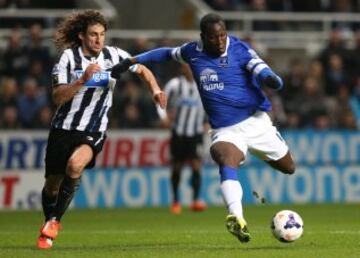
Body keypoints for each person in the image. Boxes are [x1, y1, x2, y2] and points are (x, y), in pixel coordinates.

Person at [111, 13, 296, 243]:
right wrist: (131, 61)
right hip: (225, 130)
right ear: (203, 37)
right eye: (213, 37)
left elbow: (260, 68)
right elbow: (164, 54)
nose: (219, 41)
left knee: (289, 167)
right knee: (224, 158)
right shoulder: (192, 51)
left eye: (222, 35)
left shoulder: (239, 49)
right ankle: (236, 217)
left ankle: (257, 152)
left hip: (256, 122)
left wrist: (271, 79)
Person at [36, 10, 167, 249]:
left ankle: (55, 221)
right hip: (63, 129)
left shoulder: (114, 55)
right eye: (93, 35)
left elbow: (143, 69)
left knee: (75, 165)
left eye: (102, 35)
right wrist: (81, 80)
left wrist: (156, 89)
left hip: (94, 130)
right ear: (82, 36)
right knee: (52, 185)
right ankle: (47, 223)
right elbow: (57, 97)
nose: (98, 40)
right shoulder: (68, 58)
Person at [157, 63, 207, 214]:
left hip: (196, 133)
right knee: (177, 166)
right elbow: (159, 99)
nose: (191, 69)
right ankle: (176, 201)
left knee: (196, 165)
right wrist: (164, 117)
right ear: (182, 69)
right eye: (187, 67)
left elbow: (210, 104)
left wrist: (208, 121)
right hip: (178, 132)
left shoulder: (203, 85)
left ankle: (196, 200)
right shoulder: (175, 84)